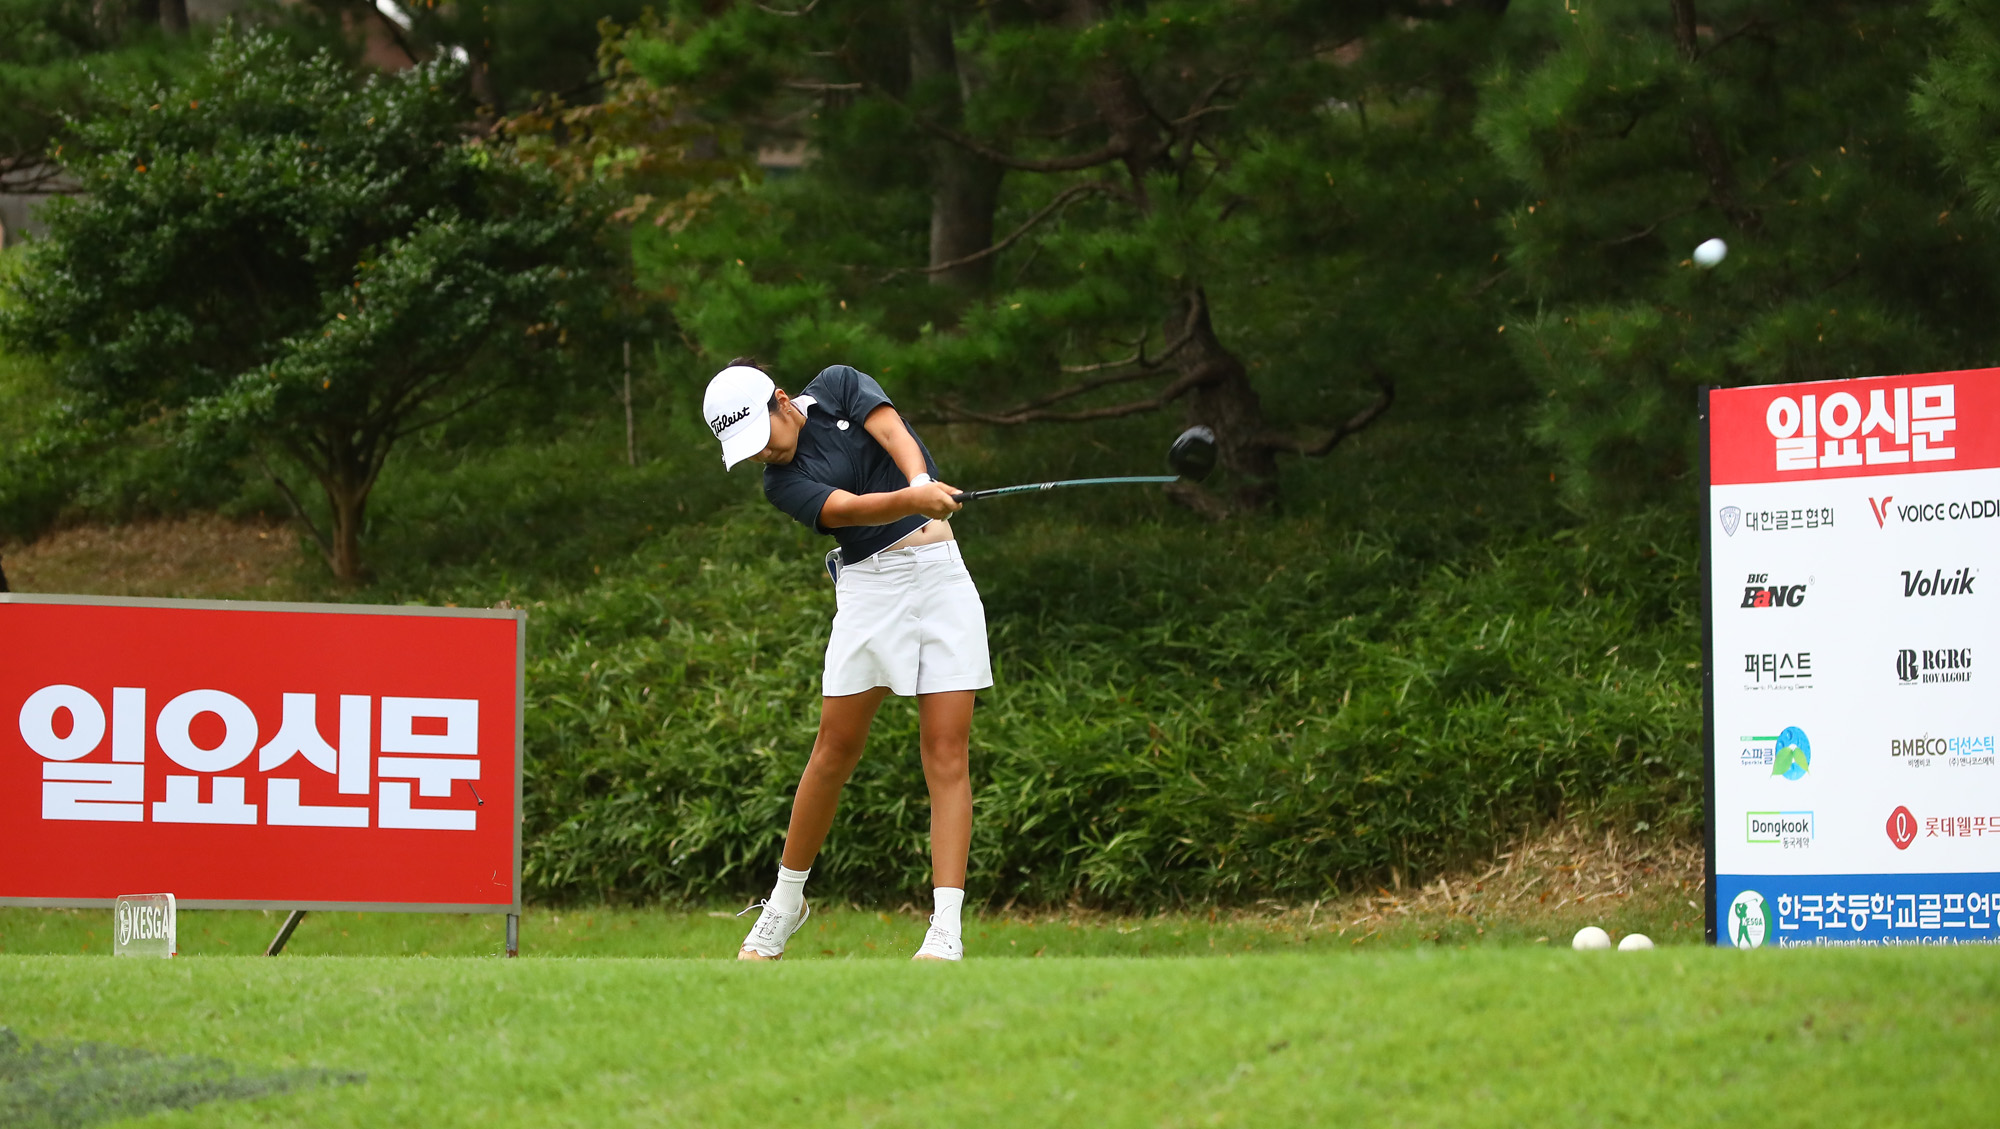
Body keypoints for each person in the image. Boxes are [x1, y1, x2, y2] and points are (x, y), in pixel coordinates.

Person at [703, 359, 992, 961]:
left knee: (946, 751)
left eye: (762, 438)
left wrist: (919, 480)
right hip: (871, 589)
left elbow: (892, 432)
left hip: (942, 578)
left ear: (782, 402)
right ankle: (785, 903)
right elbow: (854, 512)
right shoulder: (780, 484)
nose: (761, 455)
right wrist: (913, 497)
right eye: (746, 451)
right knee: (833, 750)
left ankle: (946, 926)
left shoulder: (836, 386)